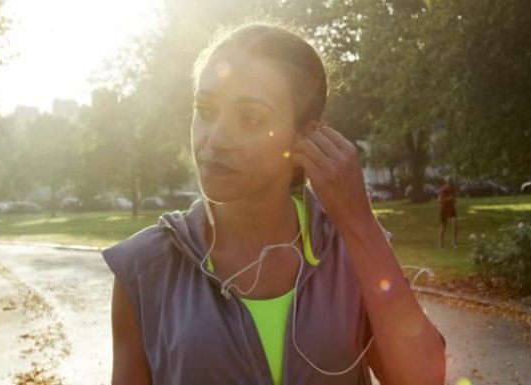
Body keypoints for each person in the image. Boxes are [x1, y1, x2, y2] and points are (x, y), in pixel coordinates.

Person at [103, 23, 445, 385]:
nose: (215, 139)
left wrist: (359, 221)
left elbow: (424, 379)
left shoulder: (348, 254)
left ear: (305, 137)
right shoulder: (145, 267)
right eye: (205, 109)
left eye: (251, 118)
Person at [438, 177, 458, 248]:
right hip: (444, 210)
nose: (450, 184)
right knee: (443, 227)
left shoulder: (453, 189)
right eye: (449, 183)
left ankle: (454, 241)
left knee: (455, 224)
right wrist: (448, 199)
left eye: (451, 183)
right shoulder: (443, 190)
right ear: (446, 183)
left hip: (451, 209)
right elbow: (439, 200)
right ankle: (441, 243)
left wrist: (454, 200)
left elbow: (454, 198)